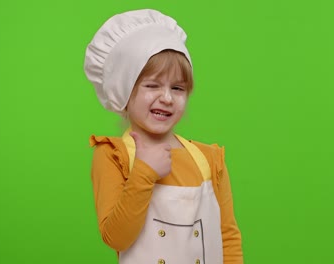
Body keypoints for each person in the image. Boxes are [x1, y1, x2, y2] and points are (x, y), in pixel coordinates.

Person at [84, 9, 243, 264]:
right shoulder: (114, 155)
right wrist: (144, 172)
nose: (167, 98)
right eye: (152, 85)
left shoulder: (209, 159)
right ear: (124, 89)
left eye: (177, 88)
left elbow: (227, 238)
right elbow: (116, 237)